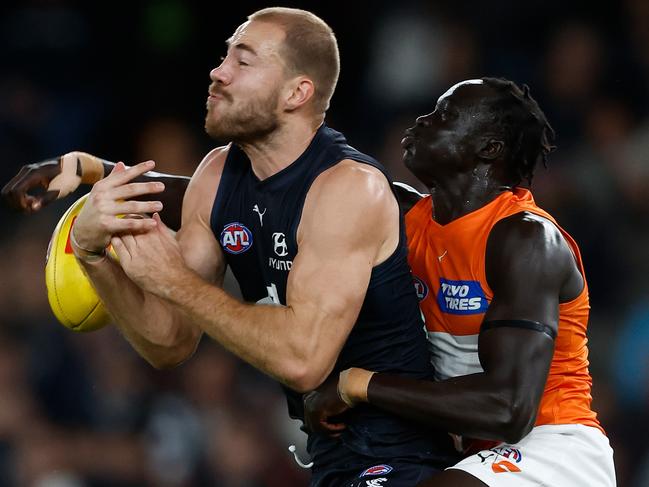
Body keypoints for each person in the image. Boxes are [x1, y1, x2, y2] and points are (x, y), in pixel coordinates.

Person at [2, 7, 459, 487]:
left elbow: (303, 361)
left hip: (407, 460)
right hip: (332, 460)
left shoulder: (347, 187)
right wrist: (94, 256)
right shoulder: (216, 176)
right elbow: (170, 342)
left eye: (243, 62)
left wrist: (172, 279)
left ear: (297, 93)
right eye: (224, 57)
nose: (218, 72)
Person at [304, 78, 617, 487]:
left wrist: (357, 384)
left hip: (556, 444)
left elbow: (509, 408)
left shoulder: (525, 239)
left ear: (489, 148)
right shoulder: (400, 217)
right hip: (479, 453)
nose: (423, 119)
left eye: (445, 114)